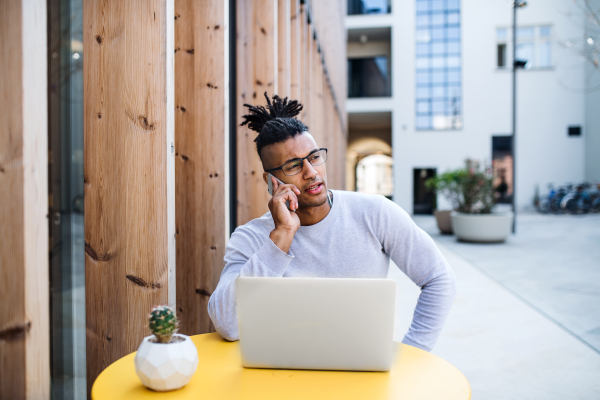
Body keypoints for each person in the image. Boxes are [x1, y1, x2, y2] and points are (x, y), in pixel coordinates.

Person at [208, 92, 457, 352]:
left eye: (314, 157)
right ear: (271, 182)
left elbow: (438, 279)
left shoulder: (376, 213)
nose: (311, 172)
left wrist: (415, 351)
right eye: (293, 165)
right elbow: (227, 325)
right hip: (284, 374)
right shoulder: (251, 238)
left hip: (362, 368)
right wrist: (281, 236)